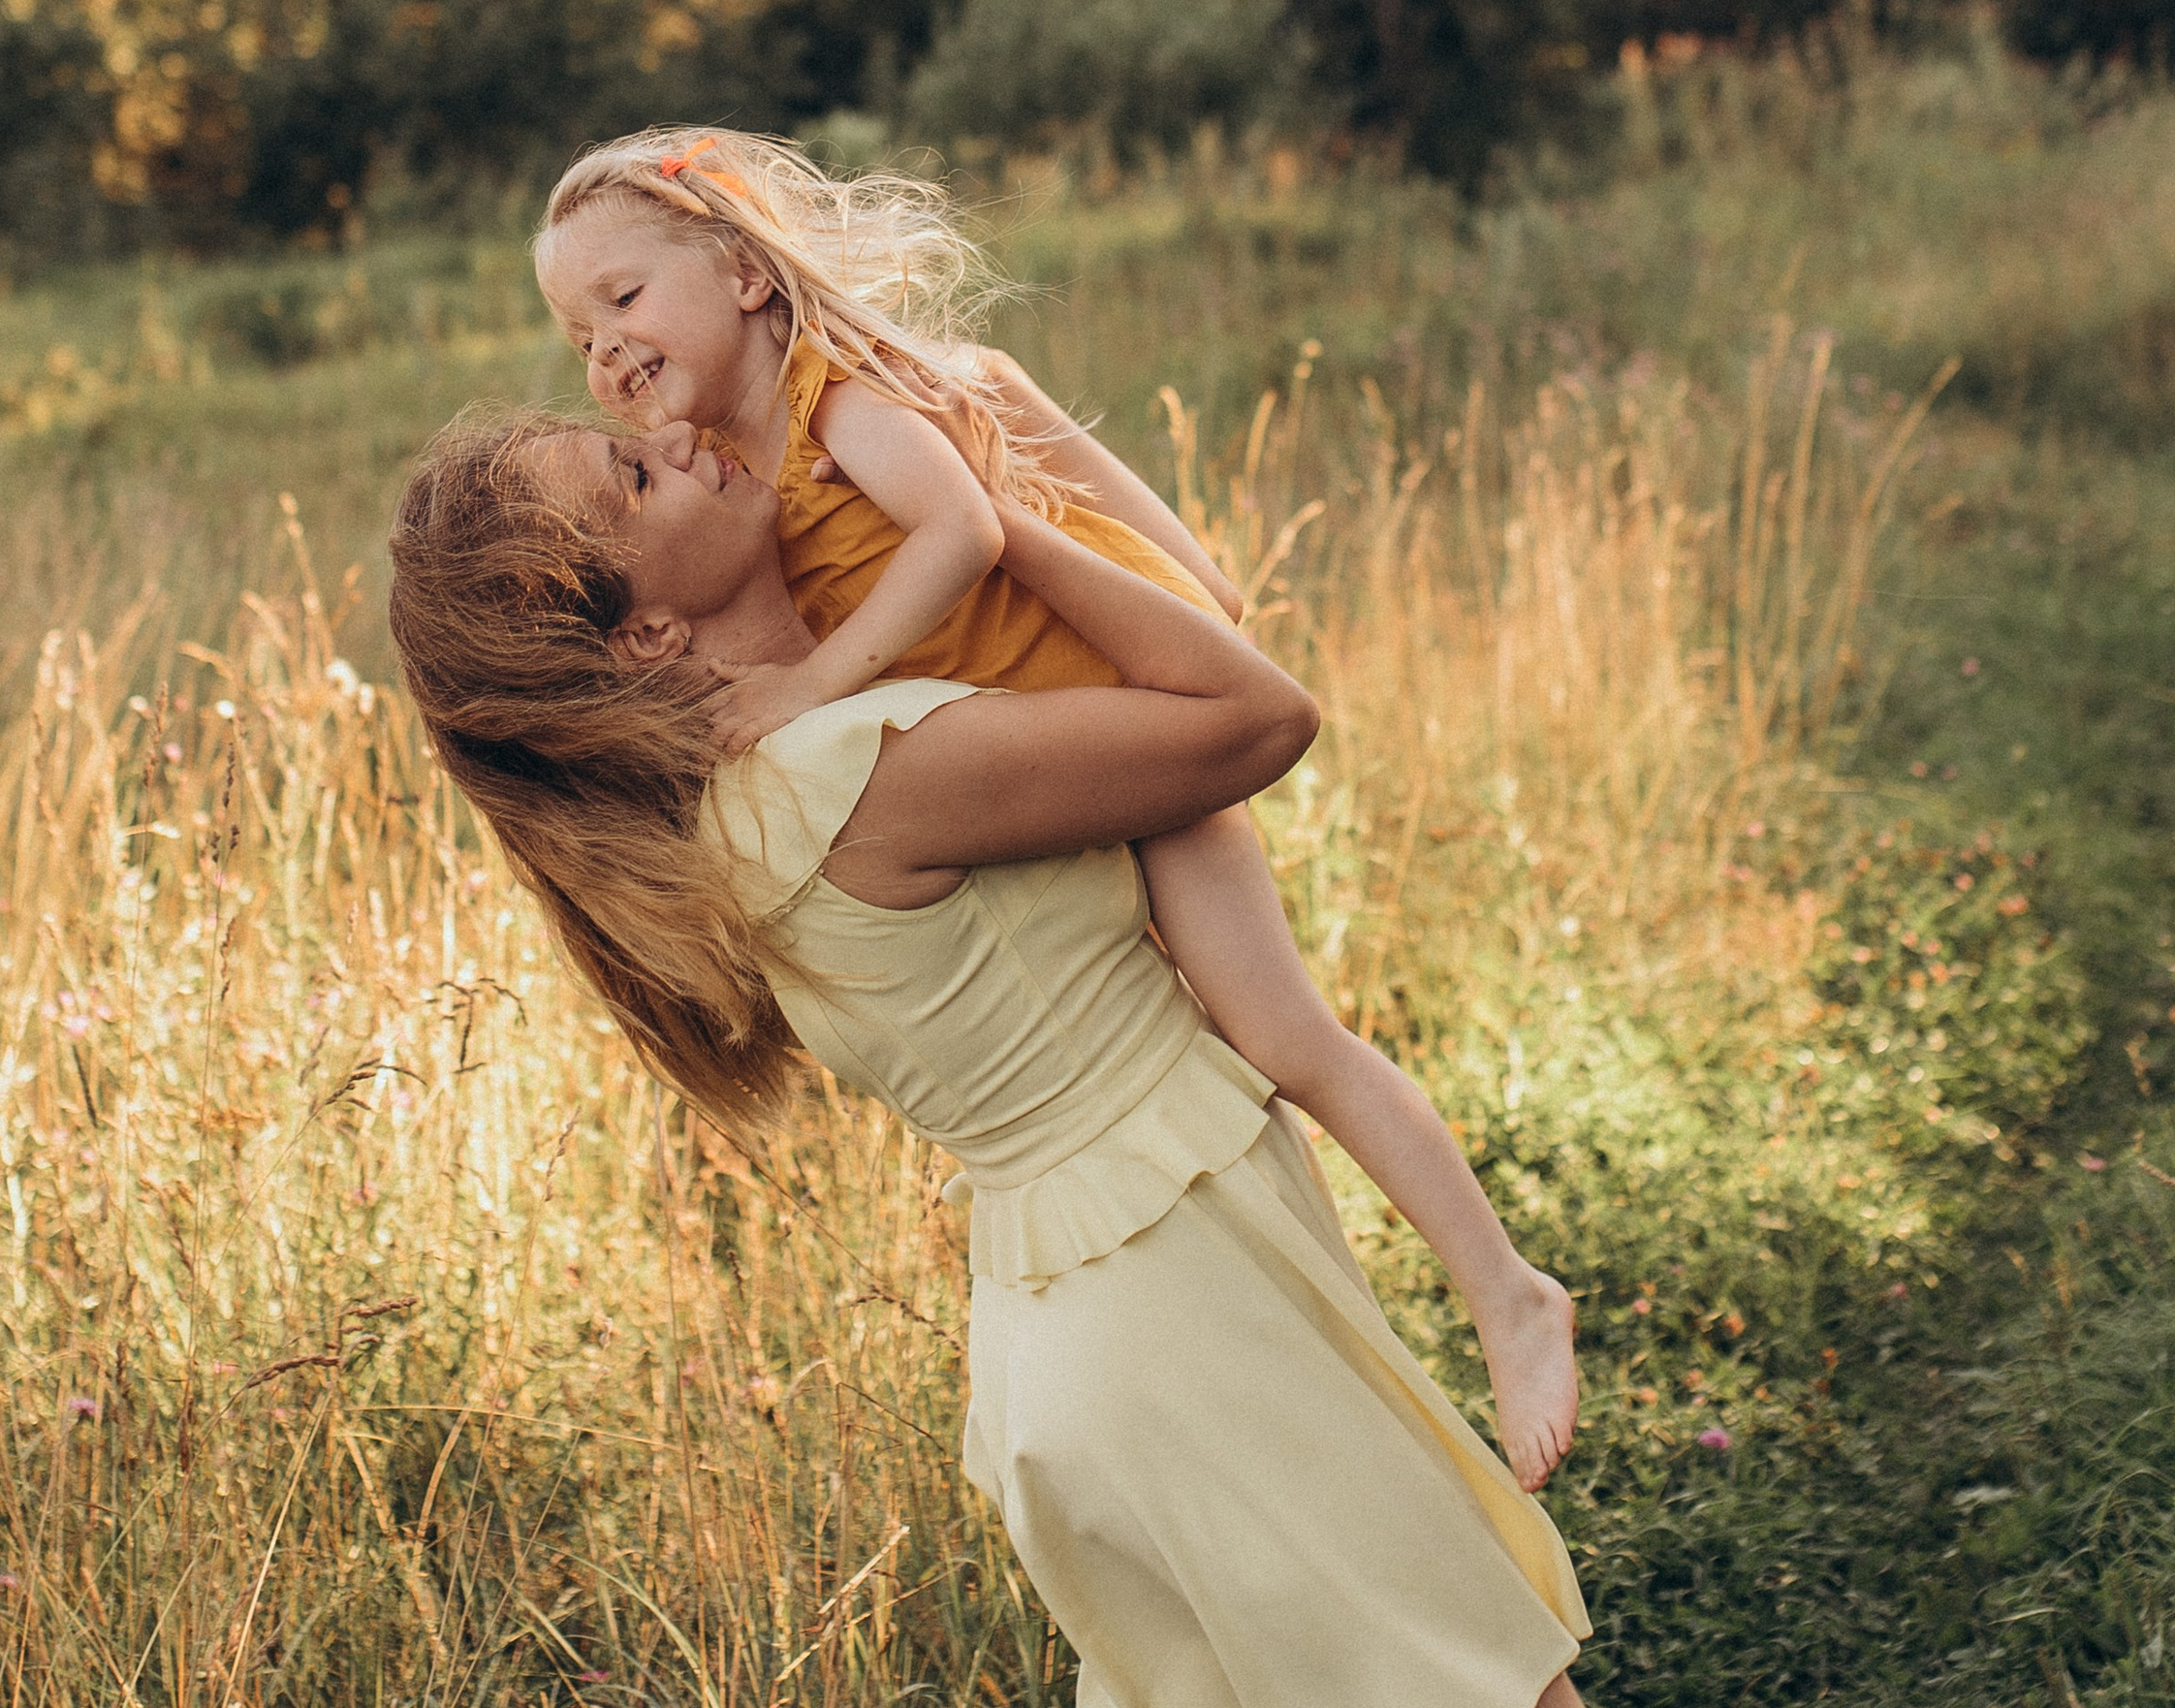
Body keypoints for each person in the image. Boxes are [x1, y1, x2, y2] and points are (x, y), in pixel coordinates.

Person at [387, 404, 1656, 1708]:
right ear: (641, 632)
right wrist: (983, 514)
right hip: (1188, 1320)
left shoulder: (745, 807)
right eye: (632, 480)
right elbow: (1250, 715)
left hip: (1062, 1348)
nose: (677, 438)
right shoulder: (861, 767)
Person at [531, 125, 1578, 1492]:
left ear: (742, 275)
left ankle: (1507, 1292)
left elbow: (965, 531)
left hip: (1121, 727)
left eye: (624, 299)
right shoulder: (733, 473)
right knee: (1192, 1047)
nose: (606, 348)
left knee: (1284, 1037)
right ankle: (1304, 1330)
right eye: (578, 334)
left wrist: (818, 684)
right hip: (1049, 773)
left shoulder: (843, 405)